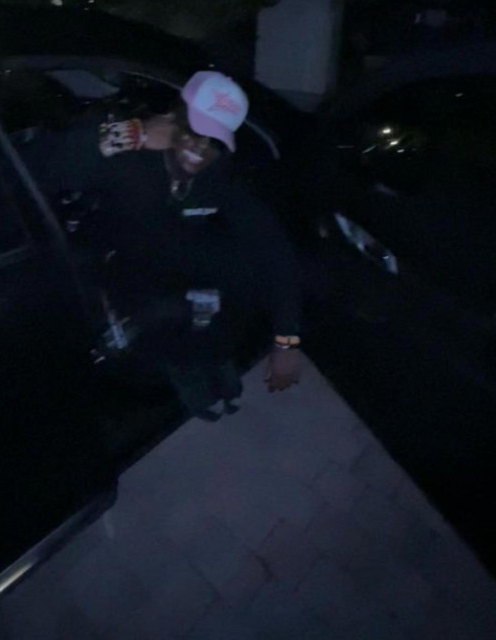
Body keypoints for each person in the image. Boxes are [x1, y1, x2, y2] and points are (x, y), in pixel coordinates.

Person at [20, 70, 303, 416]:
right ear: (172, 117)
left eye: (214, 140)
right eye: (195, 130)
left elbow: (273, 248)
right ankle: (173, 366)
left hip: (173, 262)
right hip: (117, 263)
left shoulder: (218, 175)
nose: (200, 149)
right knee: (161, 311)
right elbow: (36, 170)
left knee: (240, 266)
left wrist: (287, 340)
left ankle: (212, 354)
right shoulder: (128, 157)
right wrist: (128, 134)